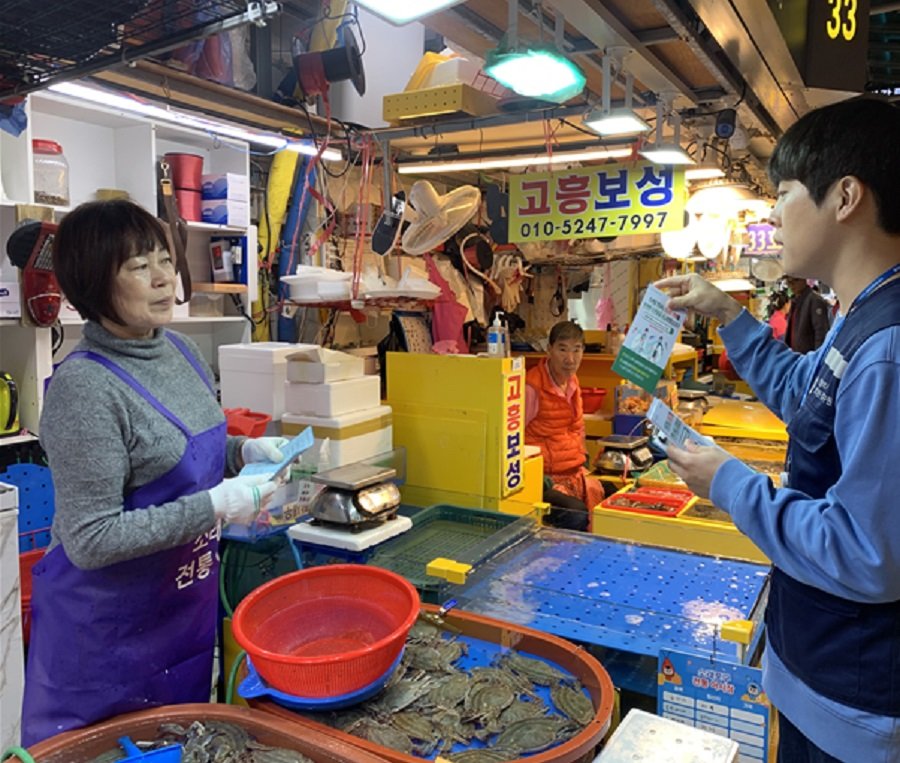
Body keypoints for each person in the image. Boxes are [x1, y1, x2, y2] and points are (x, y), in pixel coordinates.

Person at [657, 97, 900, 762]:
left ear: (846, 196)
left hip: (855, 709)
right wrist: (726, 313)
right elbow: (806, 399)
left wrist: (730, 484)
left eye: (785, 192)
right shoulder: (862, 315)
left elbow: (868, 554)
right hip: (818, 679)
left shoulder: (889, 346)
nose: (772, 213)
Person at [21, 200, 285, 746]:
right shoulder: (84, 390)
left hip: (178, 616)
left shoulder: (180, 351)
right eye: (139, 267)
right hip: (104, 643)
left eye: (165, 258)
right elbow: (92, 537)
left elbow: (174, 451)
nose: (165, 277)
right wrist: (215, 506)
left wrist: (242, 454)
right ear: (94, 282)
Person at [525, 320, 604, 531]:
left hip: (573, 471)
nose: (570, 359)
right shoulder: (531, 387)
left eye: (576, 350)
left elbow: (578, 427)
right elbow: (510, 435)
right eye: (562, 349)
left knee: (613, 501)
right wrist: (536, 477)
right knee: (576, 515)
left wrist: (584, 461)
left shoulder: (572, 381)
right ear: (549, 350)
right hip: (544, 478)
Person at [784, 275, 830, 352]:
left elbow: (821, 332)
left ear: (803, 279)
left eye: (795, 281)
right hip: (796, 355)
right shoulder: (795, 300)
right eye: (788, 282)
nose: (791, 285)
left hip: (808, 355)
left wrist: (817, 357)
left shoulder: (814, 300)